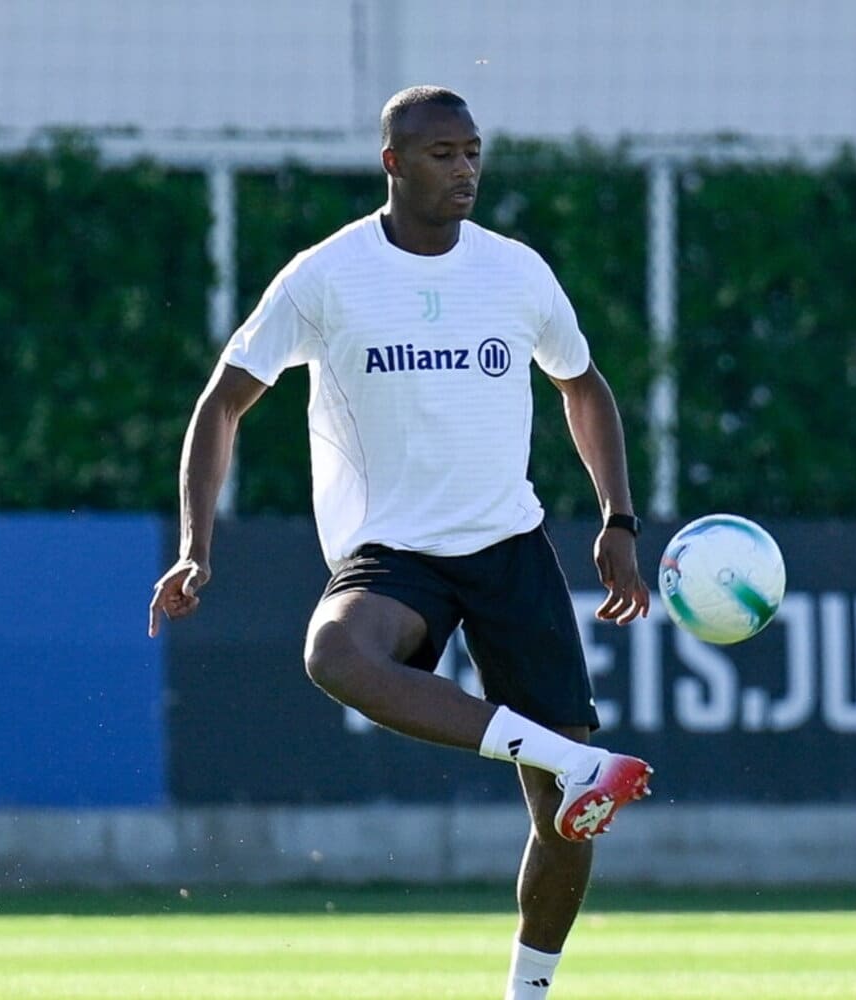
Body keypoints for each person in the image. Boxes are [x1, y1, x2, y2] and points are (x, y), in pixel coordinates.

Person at [148, 85, 654, 1000]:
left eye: (473, 152)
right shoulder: (327, 276)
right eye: (441, 154)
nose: (465, 170)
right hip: (394, 552)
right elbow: (222, 403)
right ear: (392, 162)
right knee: (335, 653)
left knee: (563, 819)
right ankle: (574, 760)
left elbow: (583, 386)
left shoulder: (516, 272)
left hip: (508, 544)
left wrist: (618, 518)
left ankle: (529, 990)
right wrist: (195, 544)